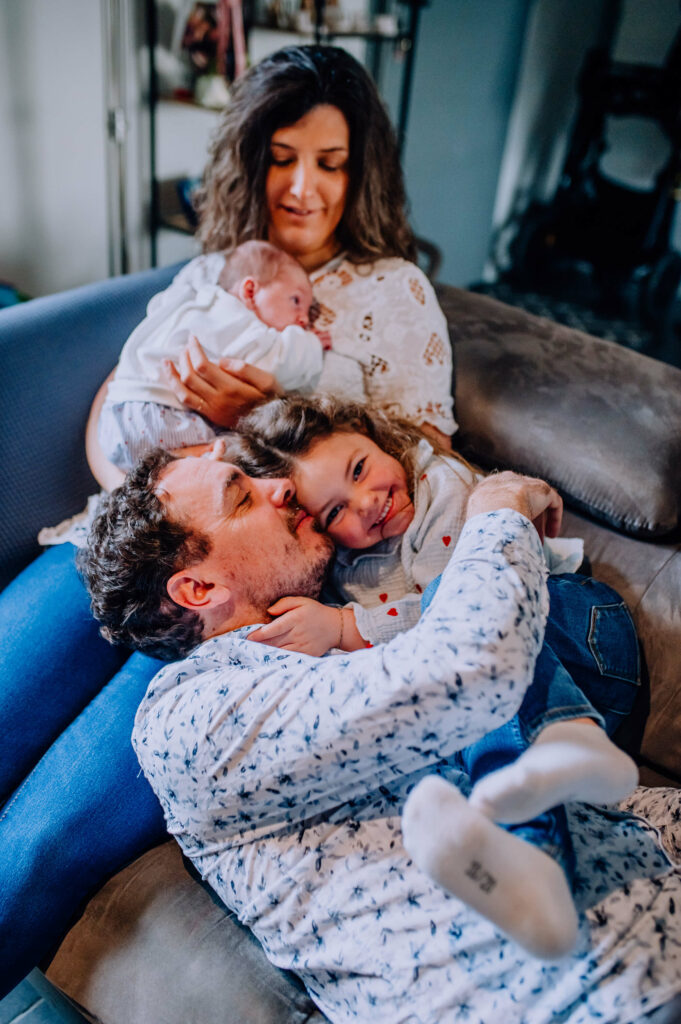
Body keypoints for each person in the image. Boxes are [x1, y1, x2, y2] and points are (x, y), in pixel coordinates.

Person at [0, 43, 456, 997]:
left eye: (331, 163)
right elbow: (107, 426)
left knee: (37, 846)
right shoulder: (211, 276)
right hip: (121, 541)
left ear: (361, 170)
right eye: (283, 157)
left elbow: (410, 470)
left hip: (249, 607)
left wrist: (255, 427)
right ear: (250, 160)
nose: (303, 188)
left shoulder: (392, 295)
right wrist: (176, 437)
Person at [77, 451, 681, 1023]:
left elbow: (565, 786)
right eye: (242, 496)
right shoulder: (185, 717)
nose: (280, 486)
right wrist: (494, 506)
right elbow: (466, 667)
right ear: (199, 590)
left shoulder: (333, 657)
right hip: (575, 994)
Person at [219, 396, 639, 957]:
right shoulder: (344, 562)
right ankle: (541, 874)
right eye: (335, 513)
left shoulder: (438, 487)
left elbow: (466, 613)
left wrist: (345, 628)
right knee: (462, 746)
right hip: (516, 705)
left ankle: (572, 738)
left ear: (374, 438)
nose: (366, 504)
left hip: (581, 633)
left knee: (452, 604)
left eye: (361, 469)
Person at [99, 240, 333, 472]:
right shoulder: (238, 319)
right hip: (159, 418)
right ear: (250, 291)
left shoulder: (196, 300)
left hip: (115, 418)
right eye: (295, 301)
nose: (304, 319)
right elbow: (279, 362)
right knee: (240, 456)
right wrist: (310, 343)